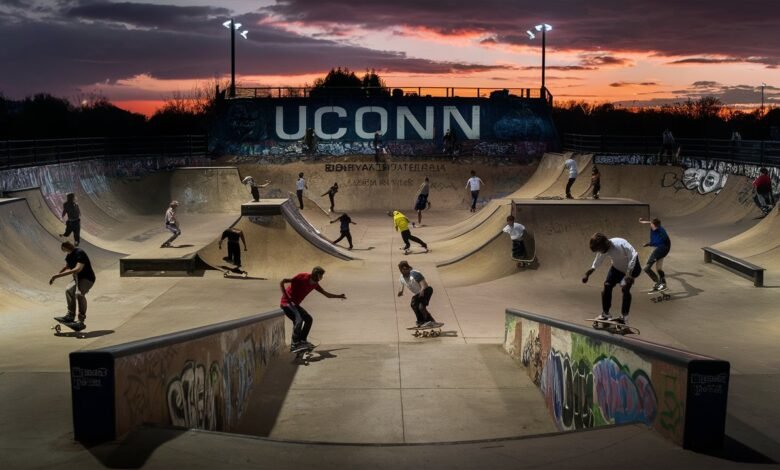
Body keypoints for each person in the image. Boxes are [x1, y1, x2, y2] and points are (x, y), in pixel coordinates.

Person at [280, 267, 346, 351]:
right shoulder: (302, 277)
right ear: (315, 275)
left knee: (308, 319)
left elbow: (326, 294)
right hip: (287, 303)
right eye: (320, 276)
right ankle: (295, 344)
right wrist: (285, 296)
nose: (321, 278)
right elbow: (283, 281)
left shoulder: (315, 284)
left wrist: (339, 296)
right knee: (299, 320)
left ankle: (302, 341)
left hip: (295, 305)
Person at [581, 233, 641, 325]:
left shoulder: (620, 243)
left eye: (600, 249)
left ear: (606, 243)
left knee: (625, 288)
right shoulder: (603, 248)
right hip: (617, 269)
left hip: (633, 268)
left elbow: (633, 255)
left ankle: (624, 318)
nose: (601, 252)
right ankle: (606, 314)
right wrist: (587, 274)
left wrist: (629, 275)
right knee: (607, 285)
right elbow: (597, 262)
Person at [49, 241, 96, 330]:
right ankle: (70, 315)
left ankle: (81, 321)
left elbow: (77, 269)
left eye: (64, 249)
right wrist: (56, 275)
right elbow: (66, 267)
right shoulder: (69, 256)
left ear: (66, 248)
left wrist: (56, 276)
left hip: (87, 278)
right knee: (69, 290)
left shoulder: (80, 253)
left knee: (79, 294)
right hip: (77, 279)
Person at [397, 260, 441, 328]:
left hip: (426, 290)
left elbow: (424, 284)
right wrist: (401, 291)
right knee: (414, 305)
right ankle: (428, 321)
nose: (403, 272)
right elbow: (402, 284)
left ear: (408, 268)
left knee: (420, 306)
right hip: (418, 294)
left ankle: (426, 321)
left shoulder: (415, 274)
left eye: (404, 270)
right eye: (401, 270)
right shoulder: (401, 277)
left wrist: (422, 290)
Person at [638, 218, 671, 291]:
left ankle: (659, 283)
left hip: (661, 250)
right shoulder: (657, 226)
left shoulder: (662, 233)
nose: (651, 226)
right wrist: (643, 222)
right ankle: (664, 284)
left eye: (652, 225)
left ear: (656, 226)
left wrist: (648, 244)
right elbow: (651, 222)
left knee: (646, 268)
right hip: (664, 250)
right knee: (659, 268)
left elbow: (661, 240)